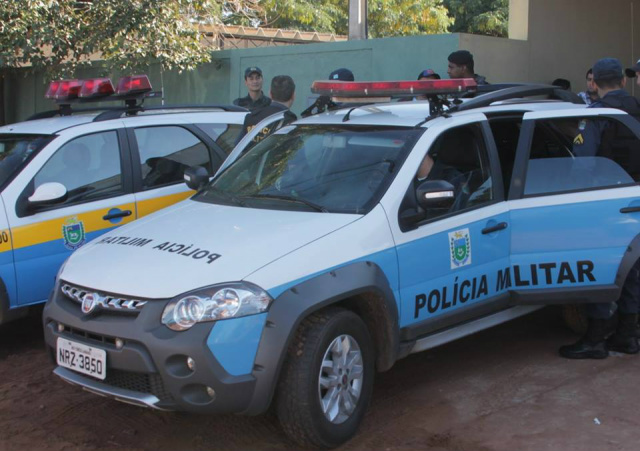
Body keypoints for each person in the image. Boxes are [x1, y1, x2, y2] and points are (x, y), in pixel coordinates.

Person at [560, 58, 640, 359]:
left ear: (596, 83)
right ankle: (628, 336)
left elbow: (583, 160)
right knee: (632, 270)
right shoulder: (637, 109)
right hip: (636, 198)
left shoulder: (597, 115)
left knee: (600, 266)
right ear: (622, 81)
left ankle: (595, 338)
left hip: (606, 201)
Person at [237, 75, 297, 145]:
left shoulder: (251, 117)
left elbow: (238, 147)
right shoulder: (290, 121)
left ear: (270, 94)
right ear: (293, 96)